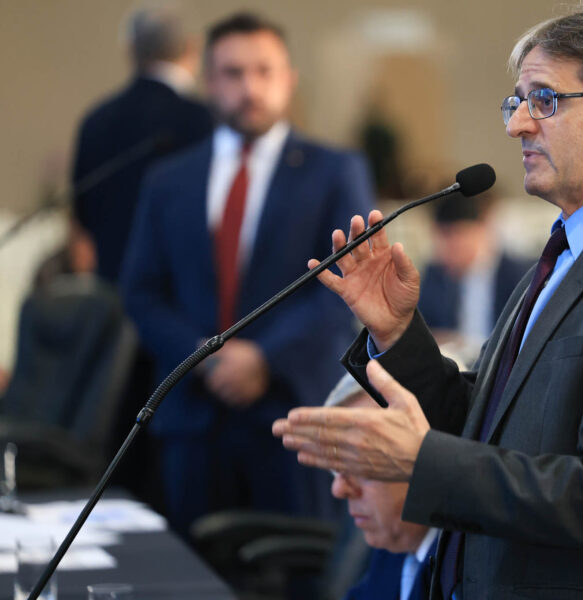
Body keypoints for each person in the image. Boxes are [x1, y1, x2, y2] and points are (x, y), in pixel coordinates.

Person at [274, 7, 583, 599]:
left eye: (545, 100)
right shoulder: (568, 249)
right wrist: (398, 333)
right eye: (516, 103)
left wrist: (424, 462)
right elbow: (491, 423)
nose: (517, 125)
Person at [121, 12, 374, 535]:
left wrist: (261, 357)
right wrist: (204, 357)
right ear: (209, 81)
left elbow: (344, 289)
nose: (250, 88)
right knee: (190, 571)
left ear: (289, 79)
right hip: (191, 416)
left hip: (292, 413)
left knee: (298, 569)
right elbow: (141, 292)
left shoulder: (333, 171)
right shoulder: (168, 178)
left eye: (264, 71)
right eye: (233, 73)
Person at [72, 4, 213, 284]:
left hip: (112, 287)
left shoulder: (96, 120)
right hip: (183, 294)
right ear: (192, 47)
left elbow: (81, 218)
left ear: (130, 50)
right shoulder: (206, 121)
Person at [324, 374, 441, 600]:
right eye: (337, 468)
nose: (339, 489)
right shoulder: (395, 545)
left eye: (361, 459)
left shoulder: (469, 572)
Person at [418, 193, 532, 345]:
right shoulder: (435, 274)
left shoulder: (517, 275)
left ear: (479, 230)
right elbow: (424, 328)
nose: (446, 247)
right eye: (441, 237)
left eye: (455, 235)